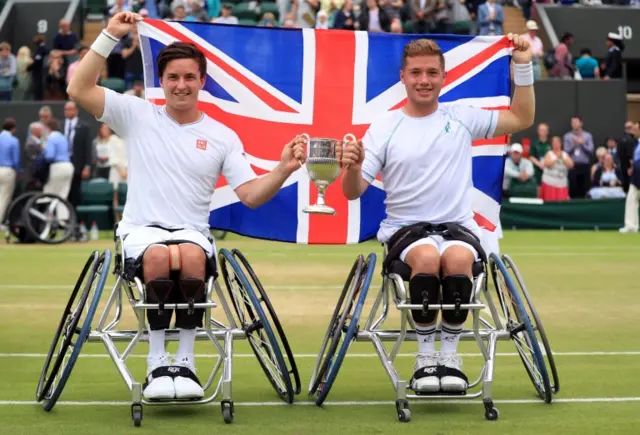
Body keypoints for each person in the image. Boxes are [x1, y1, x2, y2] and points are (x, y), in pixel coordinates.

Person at [67, 11, 306, 401]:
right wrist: (109, 34)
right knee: (161, 258)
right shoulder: (136, 113)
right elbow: (78, 89)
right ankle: (158, 362)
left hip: (193, 232)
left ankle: (186, 362)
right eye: (173, 77)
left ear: (202, 81)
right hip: (141, 231)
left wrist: (282, 170)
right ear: (161, 81)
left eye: (189, 77)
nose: (181, 85)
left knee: (192, 257)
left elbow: (250, 195)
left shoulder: (222, 135)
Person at [339, 36, 535, 394]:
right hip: (405, 231)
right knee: (427, 258)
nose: (424, 80)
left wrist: (522, 63)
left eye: (432, 72)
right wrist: (351, 167)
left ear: (444, 77)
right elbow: (352, 191)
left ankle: (450, 356)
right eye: (416, 72)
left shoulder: (460, 116)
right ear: (403, 76)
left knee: (459, 259)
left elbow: (522, 117)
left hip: (458, 229)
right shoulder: (385, 127)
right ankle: (425, 357)